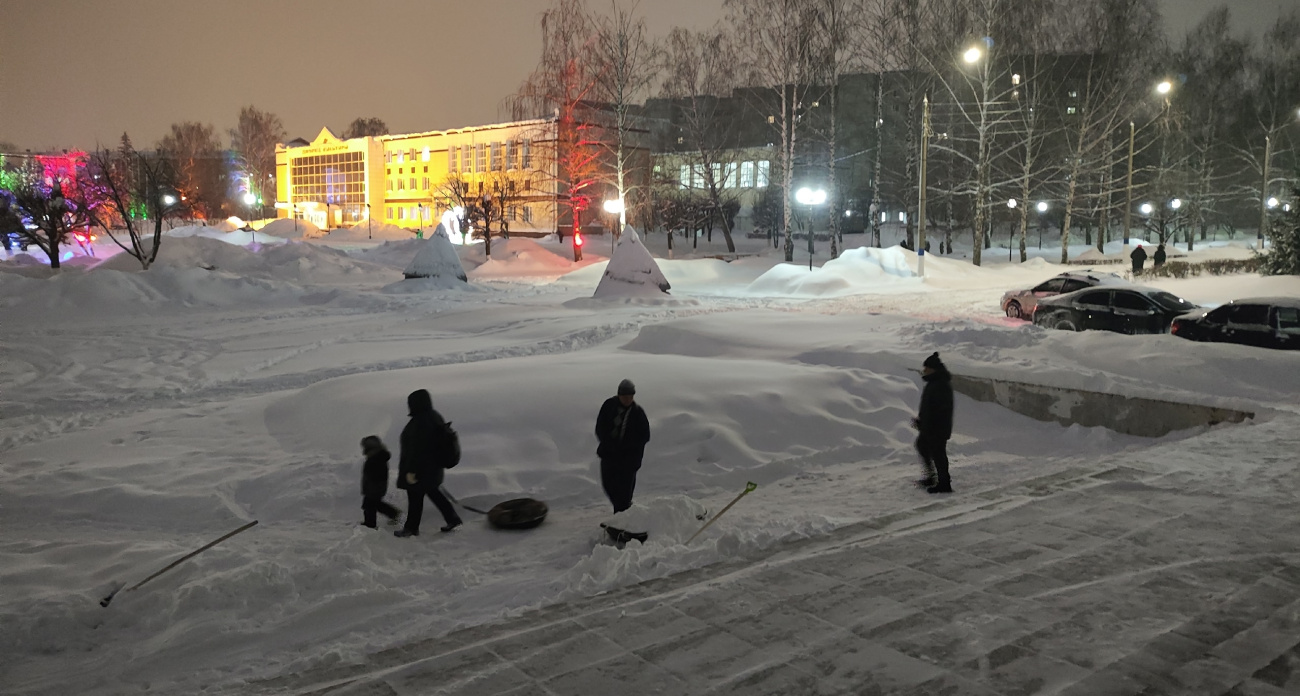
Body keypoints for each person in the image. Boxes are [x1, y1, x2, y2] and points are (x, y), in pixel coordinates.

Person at [394, 389, 463, 537]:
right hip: (432, 468)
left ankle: (411, 528)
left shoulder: (421, 421)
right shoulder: (433, 416)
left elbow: (417, 449)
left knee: (415, 498)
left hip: (420, 470)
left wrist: (411, 471)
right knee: (433, 492)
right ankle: (453, 518)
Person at [595, 379, 651, 513]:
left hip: (628, 459)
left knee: (624, 493)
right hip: (609, 454)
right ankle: (624, 513)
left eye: (630, 397)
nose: (627, 399)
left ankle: (622, 520)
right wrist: (609, 444)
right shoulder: (609, 406)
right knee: (609, 485)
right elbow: (600, 427)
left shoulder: (637, 413)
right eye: (624, 396)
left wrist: (628, 447)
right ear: (619, 395)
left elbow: (645, 435)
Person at [911, 352, 954, 494]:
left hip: (937, 428)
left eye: (926, 368)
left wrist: (929, 424)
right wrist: (921, 421)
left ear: (933, 369)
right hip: (929, 426)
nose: (924, 371)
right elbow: (928, 407)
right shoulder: (933, 383)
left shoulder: (941, 385)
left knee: (938, 454)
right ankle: (931, 477)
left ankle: (944, 484)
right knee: (922, 446)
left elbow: (940, 410)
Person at [359, 435, 401, 528]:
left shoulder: (377, 458)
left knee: (369, 504)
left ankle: (370, 523)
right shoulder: (376, 457)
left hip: (375, 486)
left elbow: (377, 474)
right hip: (374, 485)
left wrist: (371, 485)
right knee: (375, 504)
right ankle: (393, 513)